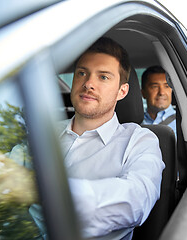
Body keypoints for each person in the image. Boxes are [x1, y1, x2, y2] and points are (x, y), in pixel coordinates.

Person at [59, 37, 164, 239]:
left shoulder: (140, 141)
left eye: (103, 77)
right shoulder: (42, 131)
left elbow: (135, 201)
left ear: (122, 91)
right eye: (82, 73)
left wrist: (39, 191)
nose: (88, 83)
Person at [141, 66, 176, 136]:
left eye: (166, 86)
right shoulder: (134, 124)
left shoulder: (183, 123)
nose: (161, 92)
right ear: (143, 93)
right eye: (155, 87)